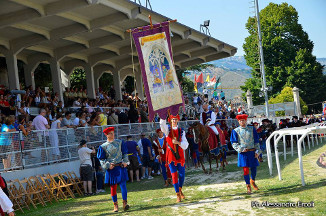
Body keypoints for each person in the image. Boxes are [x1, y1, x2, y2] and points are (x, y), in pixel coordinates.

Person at [97, 127, 130, 212]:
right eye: (110, 133)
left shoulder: (120, 142)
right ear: (107, 135)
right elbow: (101, 159)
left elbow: (125, 153)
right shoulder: (103, 146)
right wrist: (107, 165)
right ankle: (115, 205)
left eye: (113, 133)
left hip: (120, 167)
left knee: (123, 185)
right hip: (111, 169)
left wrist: (125, 161)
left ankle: (125, 203)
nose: (112, 134)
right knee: (113, 187)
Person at [160, 114, 189, 203]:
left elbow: (185, 144)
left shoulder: (181, 131)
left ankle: (180, 190)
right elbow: (162, 125)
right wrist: (163, 114)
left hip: (180, 155)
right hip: (171, 156)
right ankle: (177, 194)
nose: (174, 121)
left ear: (178, 120)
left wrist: (178, 142)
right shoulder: (167, 130)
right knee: (174, 175)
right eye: (172, 120)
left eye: (175, 119)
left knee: (182, 175)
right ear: (170, 121)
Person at [230, 114, 261, 194]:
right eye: (240, 121)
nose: (242, 122)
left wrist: (257, 151)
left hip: (252, 151)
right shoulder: (235, 131)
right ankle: (248, 186)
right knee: (245, 170)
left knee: (254, 168)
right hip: (243, 153)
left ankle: (252, 180)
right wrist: (240, 149)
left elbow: (256, 140)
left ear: (246, 120)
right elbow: (233, 143)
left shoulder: (252, 129)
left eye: (243, 120)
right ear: (238, 121)